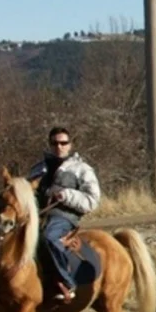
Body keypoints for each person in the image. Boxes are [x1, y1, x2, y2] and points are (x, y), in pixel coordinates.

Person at [27, 126, 101, 302]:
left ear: (70, 145)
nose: (58, 147)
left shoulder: (82, 169)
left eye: (63, 143)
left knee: (49, 237)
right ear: (49, 144)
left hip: (63, 217)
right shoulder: (38, 169)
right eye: (54, 143)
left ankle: (67, 282)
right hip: (38, 216)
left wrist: (66, 195)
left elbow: (92, 200)